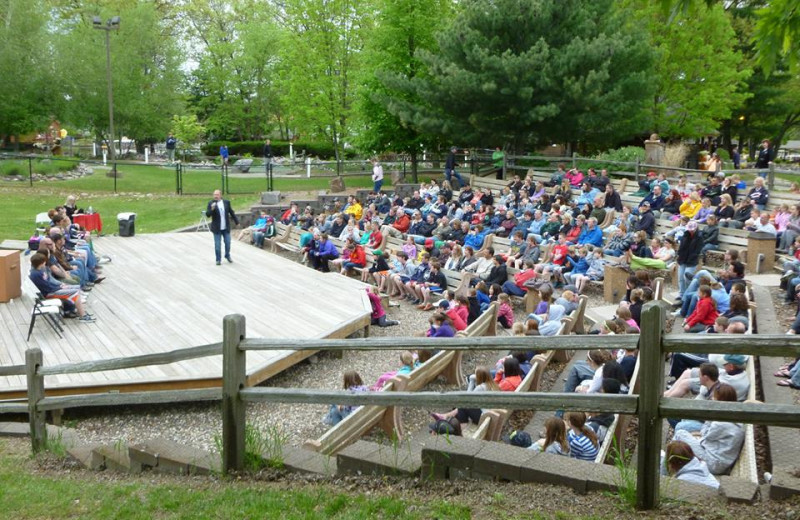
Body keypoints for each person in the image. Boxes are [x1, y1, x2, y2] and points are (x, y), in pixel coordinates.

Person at [206, 189, 240, 265]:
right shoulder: (211, 203)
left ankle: (227, 255)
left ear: (220, 195)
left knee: (228, 243)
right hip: (217, 228)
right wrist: (212, 209)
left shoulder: (226, 203)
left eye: (217, 195)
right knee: (217, 245)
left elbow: (231, 212)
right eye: (214, 195)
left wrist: (237, 222)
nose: (215, 196)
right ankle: (218, 259)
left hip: (225, 227)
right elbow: (208, 215)